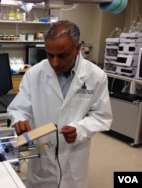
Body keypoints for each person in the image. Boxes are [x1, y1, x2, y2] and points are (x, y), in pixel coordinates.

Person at [7, 20, 112, 188]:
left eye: (62, 56)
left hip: (74, 158)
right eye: (49, 55)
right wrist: (19, 119)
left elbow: (101, 116)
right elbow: (18, 108)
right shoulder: (34, 74)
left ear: (78, 49)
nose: (55, 63)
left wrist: (80, 129)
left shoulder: (96, 77)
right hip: (42, 158)